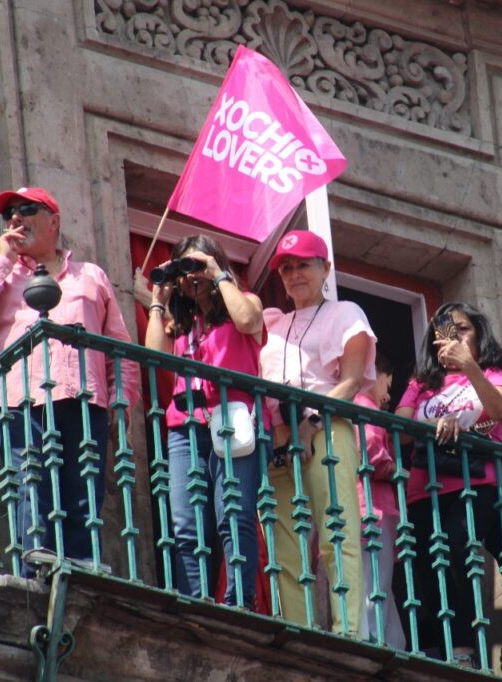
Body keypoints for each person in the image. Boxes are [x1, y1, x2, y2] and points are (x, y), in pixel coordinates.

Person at [0, 187, 139, 569]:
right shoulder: (2, 277)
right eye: (9, 214)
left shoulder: (91, 276)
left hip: (85, 399)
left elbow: (120, 348)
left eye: (26, 210)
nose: (15, 218)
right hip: (23, 401)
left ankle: (82, 565)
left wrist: (122, 401)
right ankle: (36, 571)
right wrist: (2, 260)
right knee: (30, 485)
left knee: (83, 490)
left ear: (54, 220)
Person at [259, 230, 376, 635]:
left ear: (324, 268)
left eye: (303, 265)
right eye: (287, 268)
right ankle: (296, 629)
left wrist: (308, 428)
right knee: (284, 540)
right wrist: (280, 433)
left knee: (336, 531)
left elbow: (351, 381)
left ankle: (347, 631)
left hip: (327, 428)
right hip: (280, 439)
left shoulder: (345, 313)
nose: (294, 274)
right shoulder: (274, 325)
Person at [397, 302, 502, 667]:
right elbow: (402, 428)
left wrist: (468, 365)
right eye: (443, 334)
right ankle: (438, 648)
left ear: (480, 334)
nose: (452, 339)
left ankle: (464, 650)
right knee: (424, 563)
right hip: (425, 484)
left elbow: (500, 411)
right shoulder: (423, 383)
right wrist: (434, 425)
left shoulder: (496, 372)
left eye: (462, 329)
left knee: (454, 549)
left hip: (475, 481)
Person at [144, 235, 264, 608]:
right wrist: (155, 303)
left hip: (232, 419)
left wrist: (218, 275)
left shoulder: (245, 303)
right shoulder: (180, 324)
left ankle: (238, 602)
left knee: (233, 514)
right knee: (186, 522)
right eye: (184, 269)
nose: (190, 277)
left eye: (197, 265)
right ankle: (194, 601)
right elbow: (155, 357)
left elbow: (247, 321)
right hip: (184, 426)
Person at [353, 353, 405, 649]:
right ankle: (373, 644)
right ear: (375, 373)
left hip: (363, 508)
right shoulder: (364, 404)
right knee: (375, 585)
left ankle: (393, 646)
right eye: (388, 383)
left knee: (379, 587)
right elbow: (370, 449)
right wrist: (397, 469)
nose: (387, 395)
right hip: (371, 510)